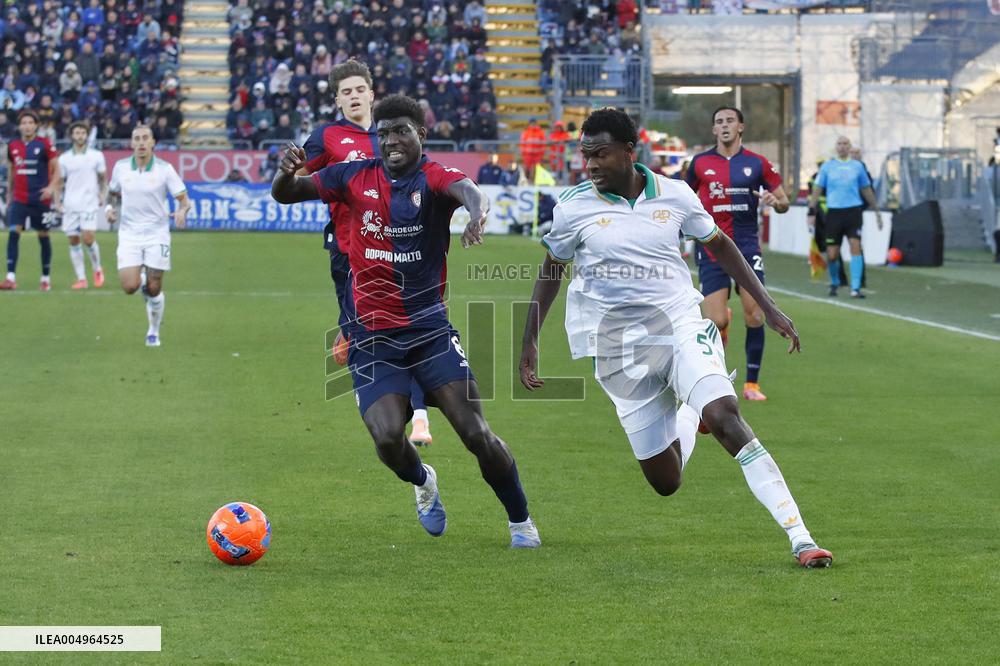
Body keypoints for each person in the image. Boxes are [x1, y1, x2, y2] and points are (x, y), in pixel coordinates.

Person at [518, 108, 831, 568]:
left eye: (600, 154)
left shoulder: (676, 194)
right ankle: (689, 409)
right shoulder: (573, 207)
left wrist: (767, 306)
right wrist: (529, 341)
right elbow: (551, 270)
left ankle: (801, 538)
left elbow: (720, 244)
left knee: (726, 416)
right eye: (586, 155)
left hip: (681, 323)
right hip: (619, 351)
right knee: (666, 480)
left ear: (629, 152)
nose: (591, 164)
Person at [272, 94, 540, 549]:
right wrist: (286, 171)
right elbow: (286, 194)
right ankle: (423, 480)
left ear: (422, 135)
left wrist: (476, 211)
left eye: (402, 132)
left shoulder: (432, 177)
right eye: (384, 133)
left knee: (476, 433)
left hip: (430, 332)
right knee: (387, 439)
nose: (392, 141)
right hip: (372, 338)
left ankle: (520, 522)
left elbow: (467, 189)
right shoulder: (353, 176)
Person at [298, 59, 434, 447]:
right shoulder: (327, 137)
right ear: (337, 99)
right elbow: (299, 180)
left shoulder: (392, 133)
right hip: (350, 254)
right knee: (373, 336)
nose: (354, 97)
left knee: (415, 327)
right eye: (346, 92)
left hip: (404, 248)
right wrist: (292, 171)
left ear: (372, 94)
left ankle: (419, 418)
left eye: (360, 90)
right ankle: (391, 408)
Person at [685, 107, 790, 402]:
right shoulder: (700, 163)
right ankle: (723, 330)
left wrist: (774, 200)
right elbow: (683, 197)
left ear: (741, 126)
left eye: (730, 120)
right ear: (714, 130)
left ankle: (751, 384)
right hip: (711, 246)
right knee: (715, 322)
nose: (725, 125)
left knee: (755, 314)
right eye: (719, 122)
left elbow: (785, 202)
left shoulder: (757, 163)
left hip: (746, 247)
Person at [106, 124, 191, 346]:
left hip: (157, 233)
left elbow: (184, 199)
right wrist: (109, 209)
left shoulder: (164, 169)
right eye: (137, 139)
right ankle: (140, 277)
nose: (141, 142)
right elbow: (112, 195)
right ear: (132, 143)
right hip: (129, 234)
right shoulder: (121, 168)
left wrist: (182, 211)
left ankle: (153, 331)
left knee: (154, 289)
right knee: (129, 287)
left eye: (146, 138)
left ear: (153, 142)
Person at [808, 136, 882, 298]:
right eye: (839, 144)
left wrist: (877, 211)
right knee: (832, 253)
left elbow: (866, 189)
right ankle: (835, 281)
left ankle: (855, 288)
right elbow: (817, 189)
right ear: (836, 147)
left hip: (853, 212)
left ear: (849, 147)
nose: (842, 147)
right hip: (834, 212)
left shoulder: (857, 167)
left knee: (855, 246)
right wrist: (811, 211)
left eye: (845, 144)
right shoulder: (828, 167)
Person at [1, 110, 59, 291]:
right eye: (23, 122)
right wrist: (10, 194)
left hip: (40, 199)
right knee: (13, 234)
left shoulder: (45, 144)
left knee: (43, 236)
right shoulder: (13, 145)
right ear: (20, 126)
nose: (26, 125)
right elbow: (11, 170)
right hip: (20, 198)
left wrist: (50, 188)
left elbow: (57, 170)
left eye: (30, 122)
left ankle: (45, 278)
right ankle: (10, 277)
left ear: (36, 125)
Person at [52, 121, 107, 289]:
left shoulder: (96, 155)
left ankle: (97, 268)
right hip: (70, 204)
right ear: (71, 136)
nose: (80, 135)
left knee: (88, 238)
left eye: (83, 132)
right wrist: (57, 202)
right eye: (77, 133)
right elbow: (59, 182)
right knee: (74, 240)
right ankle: (81, 279)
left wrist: (102, 195)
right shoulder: (64, 158)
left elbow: (103, 179)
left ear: (87, 135)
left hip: (89, 203)